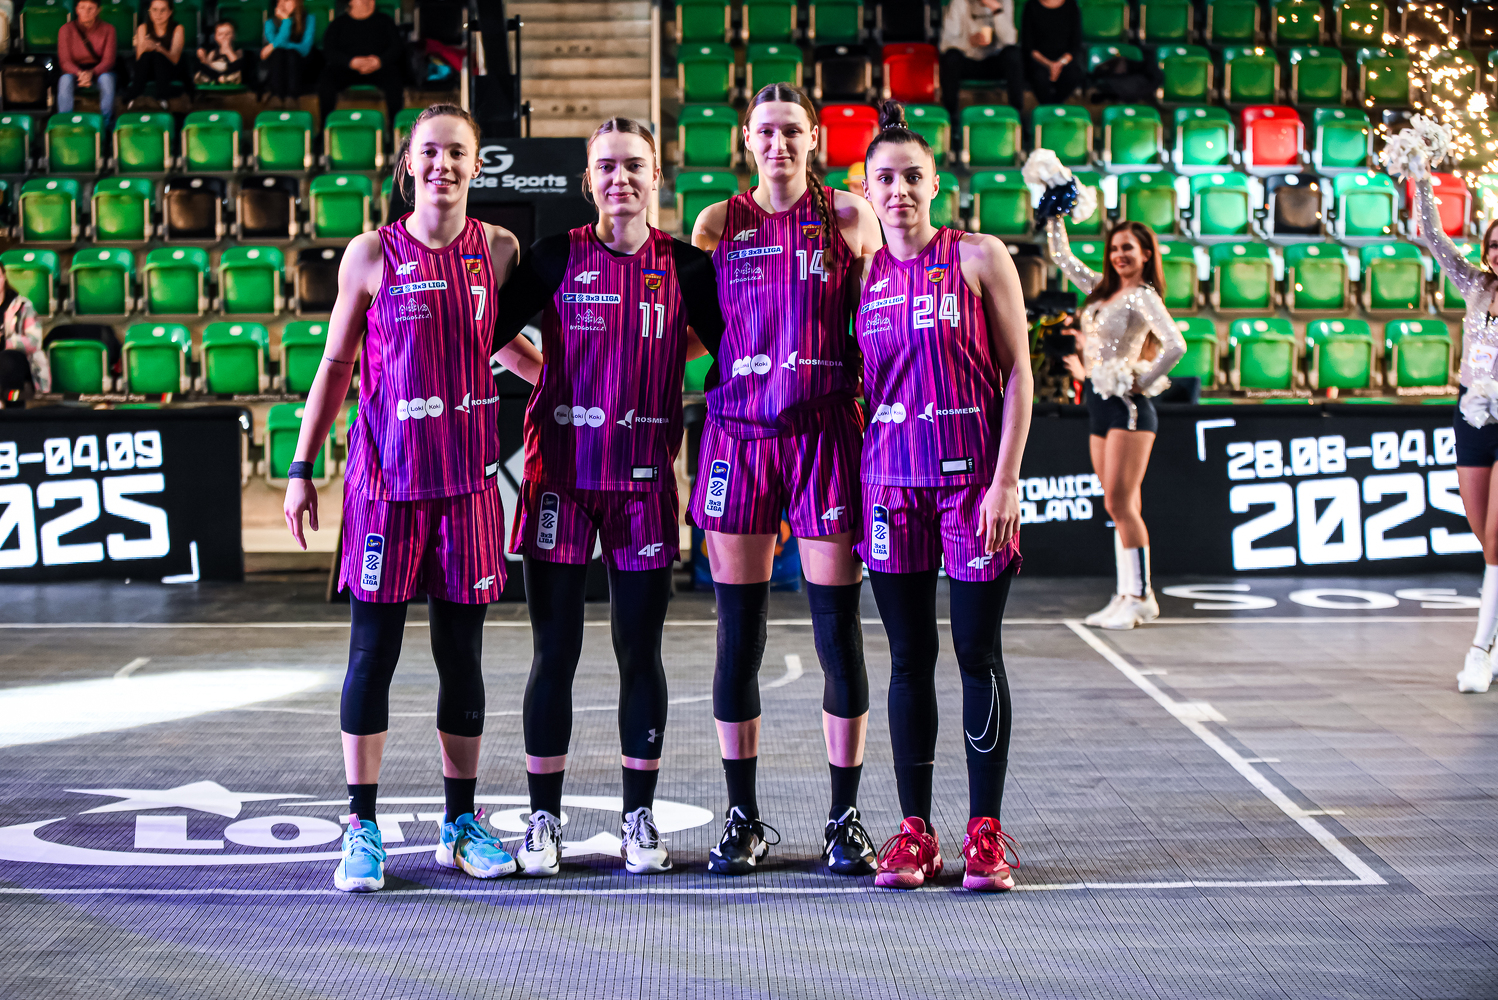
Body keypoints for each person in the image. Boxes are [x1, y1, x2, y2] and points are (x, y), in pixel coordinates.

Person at [282, 104, 543, 893]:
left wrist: (572, 387)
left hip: (466, 485)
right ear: (408, 164)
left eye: (457, 152)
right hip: (386, 486)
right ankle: (360, 826)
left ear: (476, 165)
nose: (443, 165)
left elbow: (497, 342)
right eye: (430, 152)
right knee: (373, 655)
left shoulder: (499, 249)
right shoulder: (370, 253)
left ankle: (459, 825)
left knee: (461, 658)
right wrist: (301, 466)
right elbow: (335, 366)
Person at [491, 118, 726, 878]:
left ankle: (637, 819)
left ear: (656, 175)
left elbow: (720, 341)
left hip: (642, 484)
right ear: (588, 180)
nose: (620, 178)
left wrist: (665, 360)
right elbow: (490, 333)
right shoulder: (554, 255)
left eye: (634, 165)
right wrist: (545, 375)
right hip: (559, 477)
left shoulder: (687, 267)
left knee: (639, 653)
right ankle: (543, 821)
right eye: (606, 167)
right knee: (554, 653)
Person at [690, 83, 886, 878]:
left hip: (825, 431)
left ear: (813, 140)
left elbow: (878, 318)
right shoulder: (717, 223)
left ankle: (845, 817)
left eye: (792, 132)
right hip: (739, 435)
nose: (778, 144)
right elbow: (701, 329)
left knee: (837, 632)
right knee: (739, 634)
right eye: (765, 132)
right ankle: (742, 816)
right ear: (746, 138)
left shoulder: (849, 216)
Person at [853, 101, 1033, 892]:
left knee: (975, 654)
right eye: (885, 179)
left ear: (935, 184)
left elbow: (1019, 373)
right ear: (866, 188)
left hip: (971, 489)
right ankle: (915, 832)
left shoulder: (979, 256)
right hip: (889, 487)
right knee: (907, 659)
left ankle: (985, 832)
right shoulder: (860, 276)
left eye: (912, 177)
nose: (899, 190)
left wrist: (1005, 480)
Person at [1046, 216, 1185, 630]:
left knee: (1120, 504)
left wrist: (1142, 378)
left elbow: (1175, 344)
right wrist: (1055, 213)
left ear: (1146, 254)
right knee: (1118, 502)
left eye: (1128, 247)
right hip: (1099, 402)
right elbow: (1062, 258)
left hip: (1128, 406)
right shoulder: (1103, 291)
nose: (1119, 254)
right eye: (1115, 247)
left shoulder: (1142, 296)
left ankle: (1142, 597)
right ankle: (1126, 593)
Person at [1404, 145, 1498, 693]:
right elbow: (1435, 238)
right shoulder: (1476, 286)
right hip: (1470, 416)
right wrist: (1421, 180)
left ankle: (1479, 650)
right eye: (1494, 244)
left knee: (1496, 539)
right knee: (1483, 533)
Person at [318, 0, 405, 125]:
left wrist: (380, 61)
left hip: (379, 68)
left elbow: (397, 47)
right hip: (347, 69)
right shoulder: (338, 24)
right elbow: (329, 51)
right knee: (327, 78)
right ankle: (325, 128)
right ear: (350, 2)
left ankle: (395, 130)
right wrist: (350, 62)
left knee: (394, 77)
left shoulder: (385, 21)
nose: (368, 1)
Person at [938, 0, 1024, 124]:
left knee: (1013, 54)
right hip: (968, 60)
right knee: (951, 58)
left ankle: (1016, 116)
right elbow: (945, 44)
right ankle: (950, 118)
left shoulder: (1004, 2)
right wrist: (970, 42)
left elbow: (1010, 40)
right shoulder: (960, 3)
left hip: (994, 61)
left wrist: (996, 9)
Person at [57, 0, 116, 127]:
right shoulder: (66, 29)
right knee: (65, 80)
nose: (86, 12)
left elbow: (108, 60)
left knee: (107, 80)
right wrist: (80, 74)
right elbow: (65, 61)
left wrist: (91, 73)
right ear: (77, 9)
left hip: (99, 70)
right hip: (75, 70)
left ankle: (106, 124)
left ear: (98, 10)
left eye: (91, 8)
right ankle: (64, 123)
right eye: (82, 8)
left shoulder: (108, 29)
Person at [1019, 0, 1085, 107]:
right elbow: (1028, 46)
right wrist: (1049, 64)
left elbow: (1075, 44)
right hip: (1039, 59)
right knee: (1039, 77)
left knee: (1073, 74)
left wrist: (1059, 63)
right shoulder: (1031, 6)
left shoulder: (1071, 6)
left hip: (1064, 59)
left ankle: (1054, 106)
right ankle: (1047, 108)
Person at [127, 0, 187, 109]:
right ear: (149, 11)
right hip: (148, 70)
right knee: (147, 56)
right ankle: (134, 98)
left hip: (170, 69)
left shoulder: (178, 28)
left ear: (170, 12)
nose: (158, 14)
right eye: (154, 10)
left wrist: (158, 48)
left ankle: (162, 99)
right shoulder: (143, 28)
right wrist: (144, 47)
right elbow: (139, 59)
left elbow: (175, 59)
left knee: (158, 57)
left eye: (163, 10)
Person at [261, 0, 314, 106]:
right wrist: (286, 21)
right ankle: (277, 96)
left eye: (286, 0)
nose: (281, 3)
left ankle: (292, 97)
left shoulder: (309, 19)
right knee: (278, 53)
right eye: (279, 1)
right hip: (277, 67)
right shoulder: (270, 23)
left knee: (291, 54)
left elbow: (305, 49)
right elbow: (276, 47)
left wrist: (273, 46)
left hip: (301, 66)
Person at [1, 274, 47, 393]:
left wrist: (5, 342)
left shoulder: (22, 306)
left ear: (4, 277)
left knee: (8, 360)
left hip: (20, 361)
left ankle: (12, 402)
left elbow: (34, 341)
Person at [195, 19, 248, 87]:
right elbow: (208, 67)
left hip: (229, 74)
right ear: (215, 37)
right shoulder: (213, 52)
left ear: (234, 36)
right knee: (201, 73)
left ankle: (222, 79)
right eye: (220, 34)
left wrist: (229, 51)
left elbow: (237, 66)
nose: (224, 37)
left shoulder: (237, 51)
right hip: (215, 74)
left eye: (227, 34)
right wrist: (203, 59)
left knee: (236, 74)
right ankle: (214, 80)